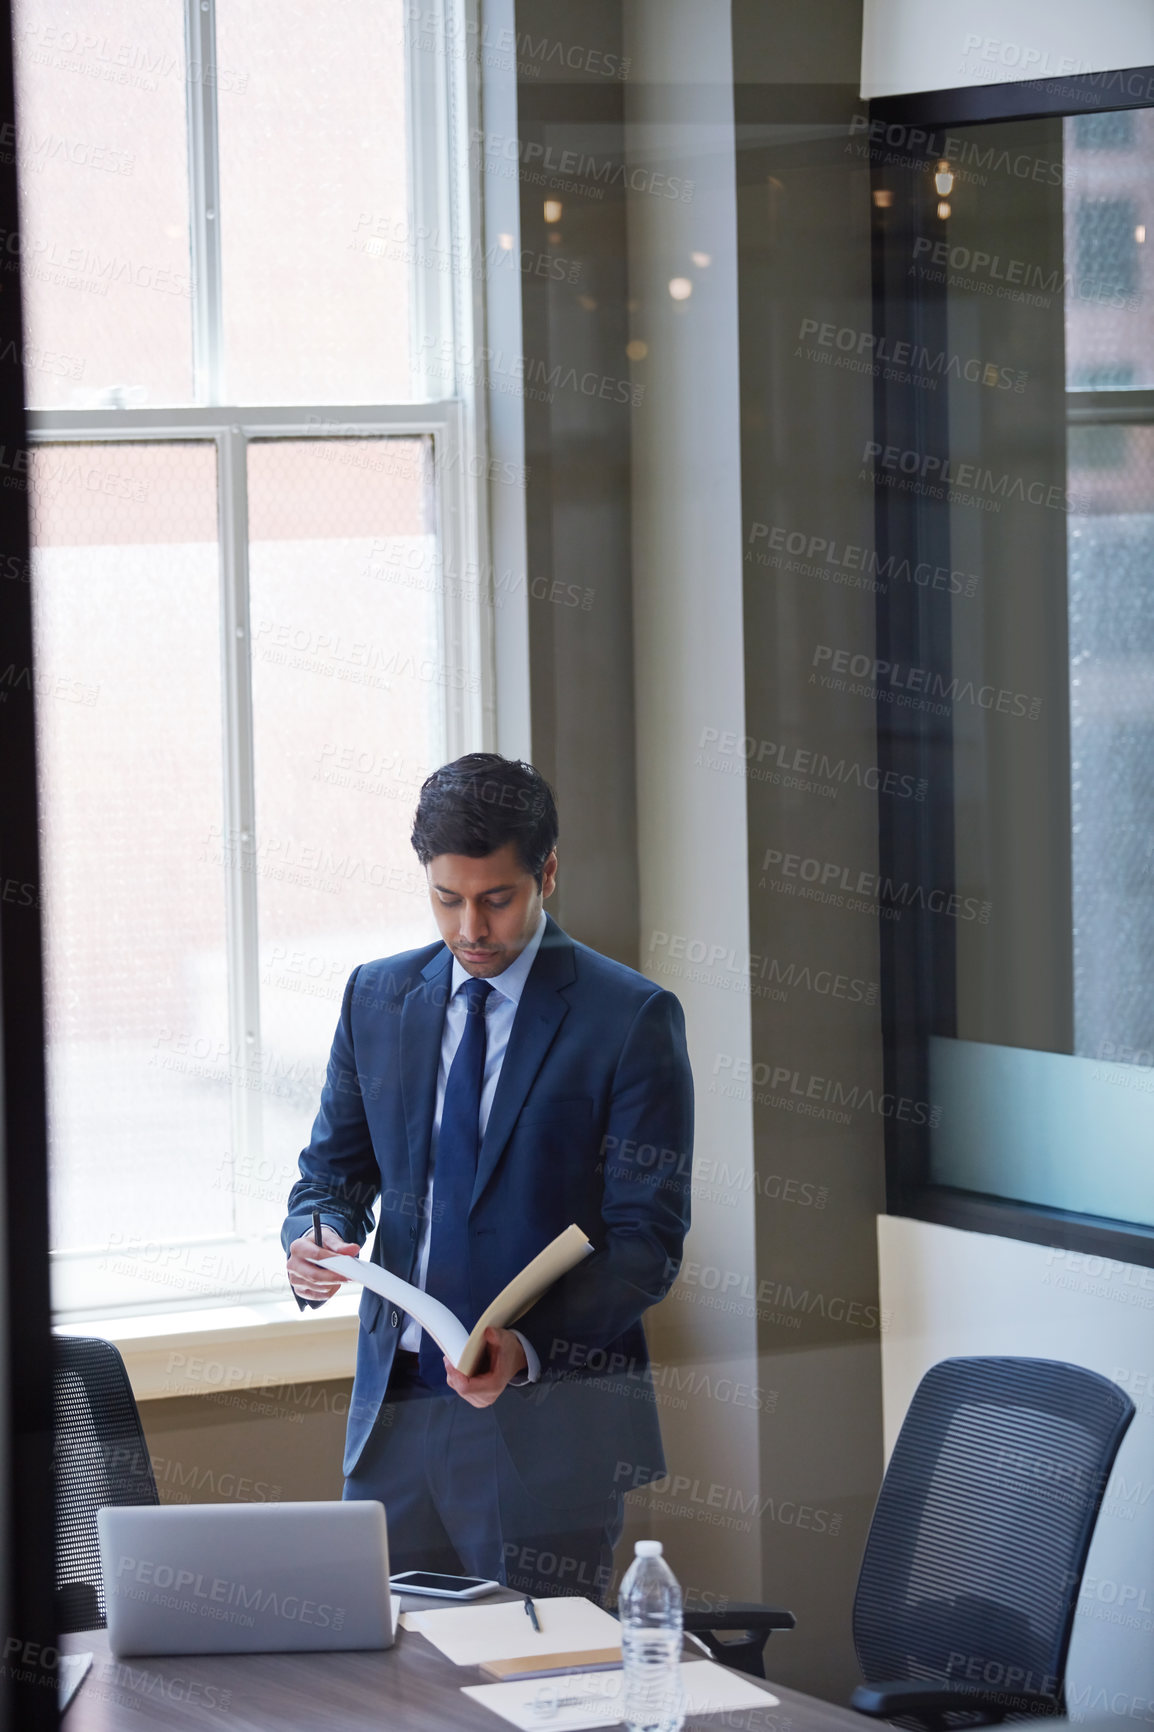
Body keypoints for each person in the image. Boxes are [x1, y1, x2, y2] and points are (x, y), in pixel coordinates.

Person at [282, 753, 693, 1601]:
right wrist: (311, 1235)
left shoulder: (630, 1020)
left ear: (546, 873)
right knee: (384, 1693)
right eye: (447, 898)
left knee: (536, 1696)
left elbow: (646, 1240)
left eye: (496, 899)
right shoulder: (377, 998)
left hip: (546, 1432)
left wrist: (528, 1348)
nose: (471, 927)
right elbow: (330, 1171)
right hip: (394, 1420)